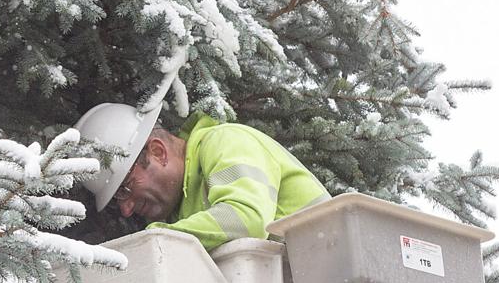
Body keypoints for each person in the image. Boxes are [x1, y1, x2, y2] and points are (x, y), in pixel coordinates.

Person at [74, 102, 330, 250]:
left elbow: (247, 220)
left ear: (158, 152)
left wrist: (159, 238)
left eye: (125, 189)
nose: (127, 209)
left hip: (334, 275)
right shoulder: (182, 210)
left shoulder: (225, 142)